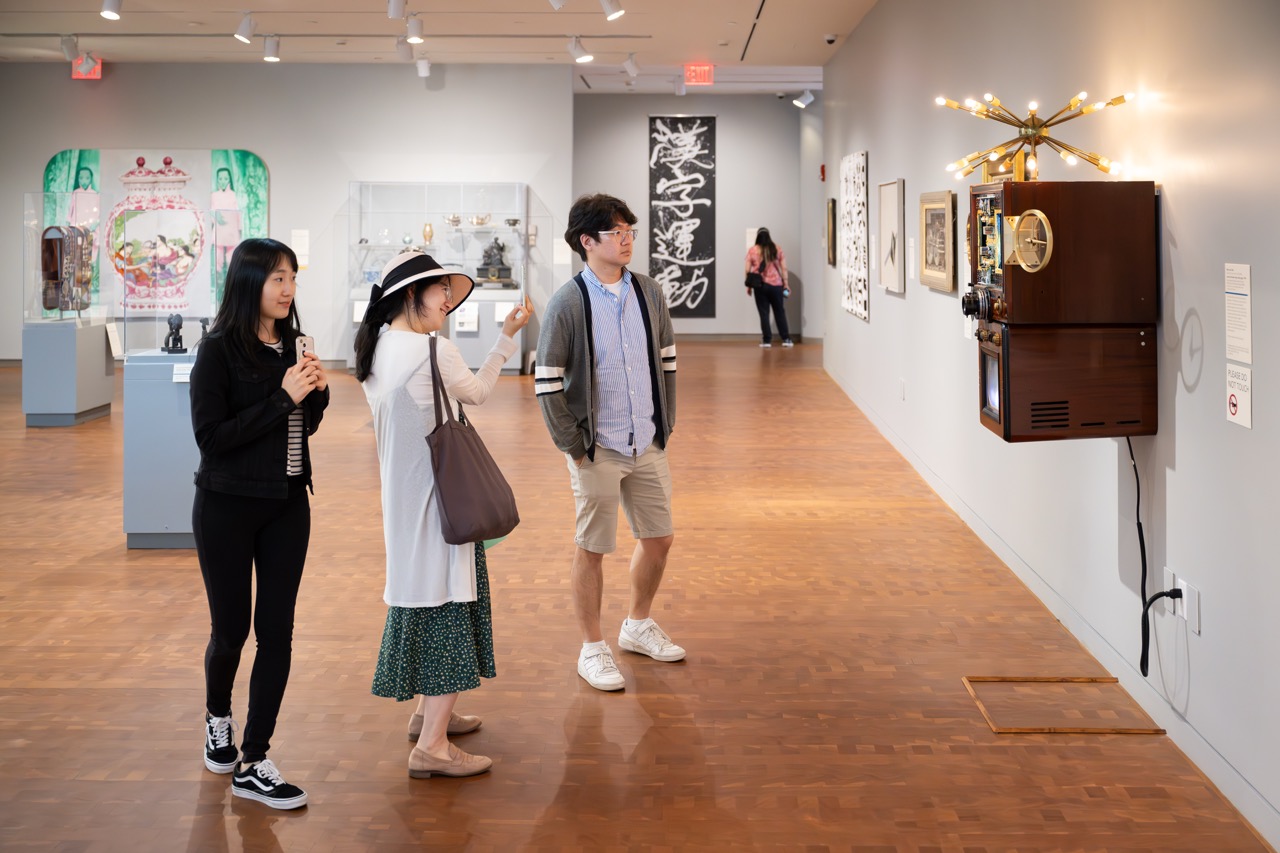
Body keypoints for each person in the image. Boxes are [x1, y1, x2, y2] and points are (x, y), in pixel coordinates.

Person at [355, 251, 532, 779]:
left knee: (419, 601)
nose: (448, 301)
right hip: (441, 504)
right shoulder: (435, 350)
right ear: (413, 295)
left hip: (402, 503)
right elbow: (476, 394)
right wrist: (506, 339)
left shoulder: (377, 348)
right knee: (448, 603)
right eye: (440, 292)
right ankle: (433, 745)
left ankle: (426, 716)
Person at [189, 237, 329, 810]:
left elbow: (305, 427)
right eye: (277, 278)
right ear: (250, 282)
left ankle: (255, 758)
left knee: (277, 632)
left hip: (288, 503)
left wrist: (314, 389)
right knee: (231, 632)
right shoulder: (218, 349)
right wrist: (282, 396)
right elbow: (212, 439)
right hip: (226, 506)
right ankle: (216, 716)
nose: (289, 288)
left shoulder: (292, 345)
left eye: (293, 277)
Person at [535, 193, 682, 692]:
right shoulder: (568, 301)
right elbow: (548, 380)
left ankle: (637, 625)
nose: (626, 240)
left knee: (658, 538)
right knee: (592, 547)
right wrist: (573, 446)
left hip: (647, 440)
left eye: (630, 231)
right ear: (587, 241)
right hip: (596, 446)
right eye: (616, 231)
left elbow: (666, 360)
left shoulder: (648, 291)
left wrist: (666, 423)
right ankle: (592, 647)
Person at [744, 227, 792, 348]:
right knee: (779, 311)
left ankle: (766, 341)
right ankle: (786, 338)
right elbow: (784, 268)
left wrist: (749, 286)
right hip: (776, 286)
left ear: (758, 237)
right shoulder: (777, 248)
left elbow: (747, 269)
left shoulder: (752, 250)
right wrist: (786, 284)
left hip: (760, 286)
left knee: (764, 313)